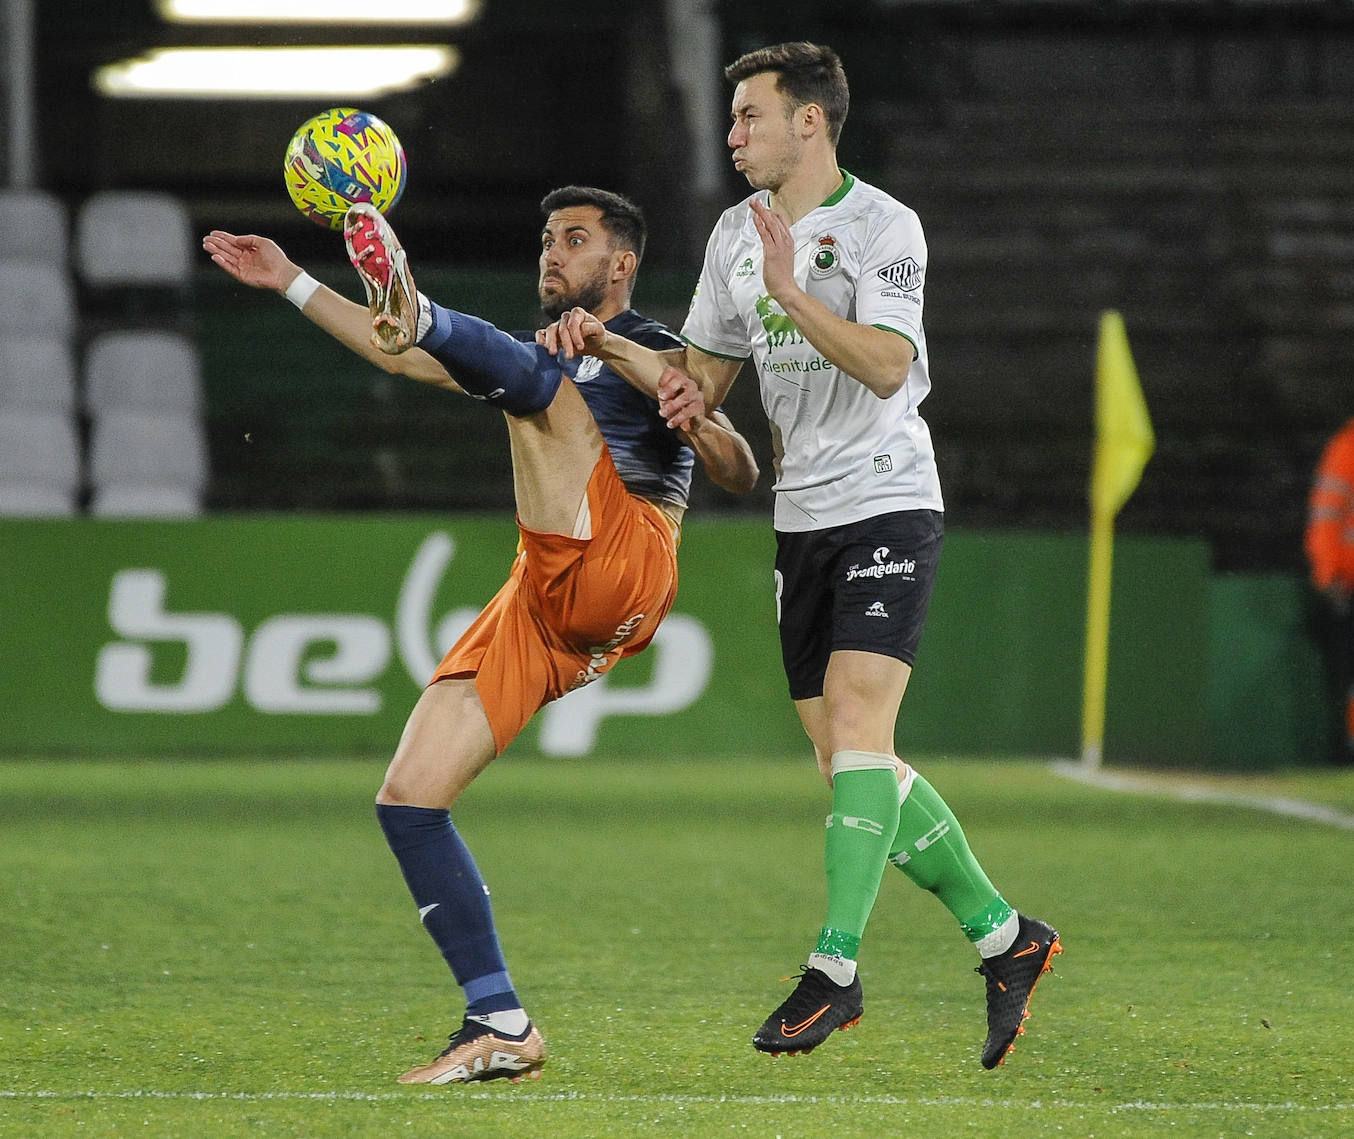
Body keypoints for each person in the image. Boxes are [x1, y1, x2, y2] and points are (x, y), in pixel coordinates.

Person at [547, 42, 1061, 1070]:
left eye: (750, 117)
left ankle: (834, 968)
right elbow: (700, 378)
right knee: (849, 764)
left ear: (810, 124)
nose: (734, 135)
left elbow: (886, 365)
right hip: (802, 518)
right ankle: (1010, 938)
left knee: (865, 732)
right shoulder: (737, 234)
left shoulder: (884, 226)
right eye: (736, 119)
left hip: (888, 501)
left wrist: (792, 289)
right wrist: (614, 348)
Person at [203, 185, 758, 1085]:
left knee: (537, 395)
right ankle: (499, 1021)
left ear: (621, 264)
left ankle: (415, 297)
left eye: (573, 239)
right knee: (410, 797)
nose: (551, 252)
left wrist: (688, 410)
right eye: (545, 237)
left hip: (629, 554)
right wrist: (294, 280)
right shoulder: (531, 358)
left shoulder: (655, 347)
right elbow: (405, 359)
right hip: (544, 595)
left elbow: (740, 464)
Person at [1305, 382, 1354, 763]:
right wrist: (1331, 574)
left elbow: (1327, 518)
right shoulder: (1352, 449)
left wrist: (1329, 574)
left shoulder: (1350, 448)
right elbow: (1328, 520)